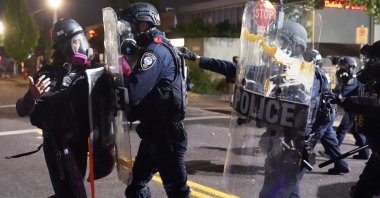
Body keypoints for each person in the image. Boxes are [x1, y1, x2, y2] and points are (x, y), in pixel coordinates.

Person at [181, 22, 349, 197]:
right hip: (279, 146)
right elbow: (236, 70)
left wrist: (308, 142)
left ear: (296, 47)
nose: (274, 47)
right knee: (289, 192)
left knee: (272, 193)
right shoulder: (279, 70)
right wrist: (197, 58)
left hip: (293, 150)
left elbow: (319, 116)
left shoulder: (308, 77)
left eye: (281, 42)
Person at [117, 2, 190, 198]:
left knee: (178, 194)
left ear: (142, 23)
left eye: (129, 26)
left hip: (166, 139)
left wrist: (113, 85)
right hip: (154, 135)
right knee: (135, 188)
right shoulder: (155, 47)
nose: (127, 32)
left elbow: (133, 93)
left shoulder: (154, 52)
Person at [16, 18, 93, 198]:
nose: (81, 45)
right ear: (64, 46)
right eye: (75, 42)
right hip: (58, 147)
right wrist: (31, 97)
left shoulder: (86, 71)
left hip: (80, 144)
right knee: (70, 193)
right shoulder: (47, 76)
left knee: (71, 190)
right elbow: (21, 109)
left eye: (81, 40)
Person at [335, 40, 380, 198]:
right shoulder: (374, 82)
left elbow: (375, 104)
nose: (369, 63)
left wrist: (352, 102)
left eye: (373, 60)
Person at [333, 56, 369, 159]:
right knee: (356, 130)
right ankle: (364, 154)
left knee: (342, 129)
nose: (341, 69)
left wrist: (336, 90)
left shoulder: (351, 80)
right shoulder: (349, 78)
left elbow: (342, 93)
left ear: (350, 67)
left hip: (354, 108)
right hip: (355, 107)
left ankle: (332, 151)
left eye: (343, 66)